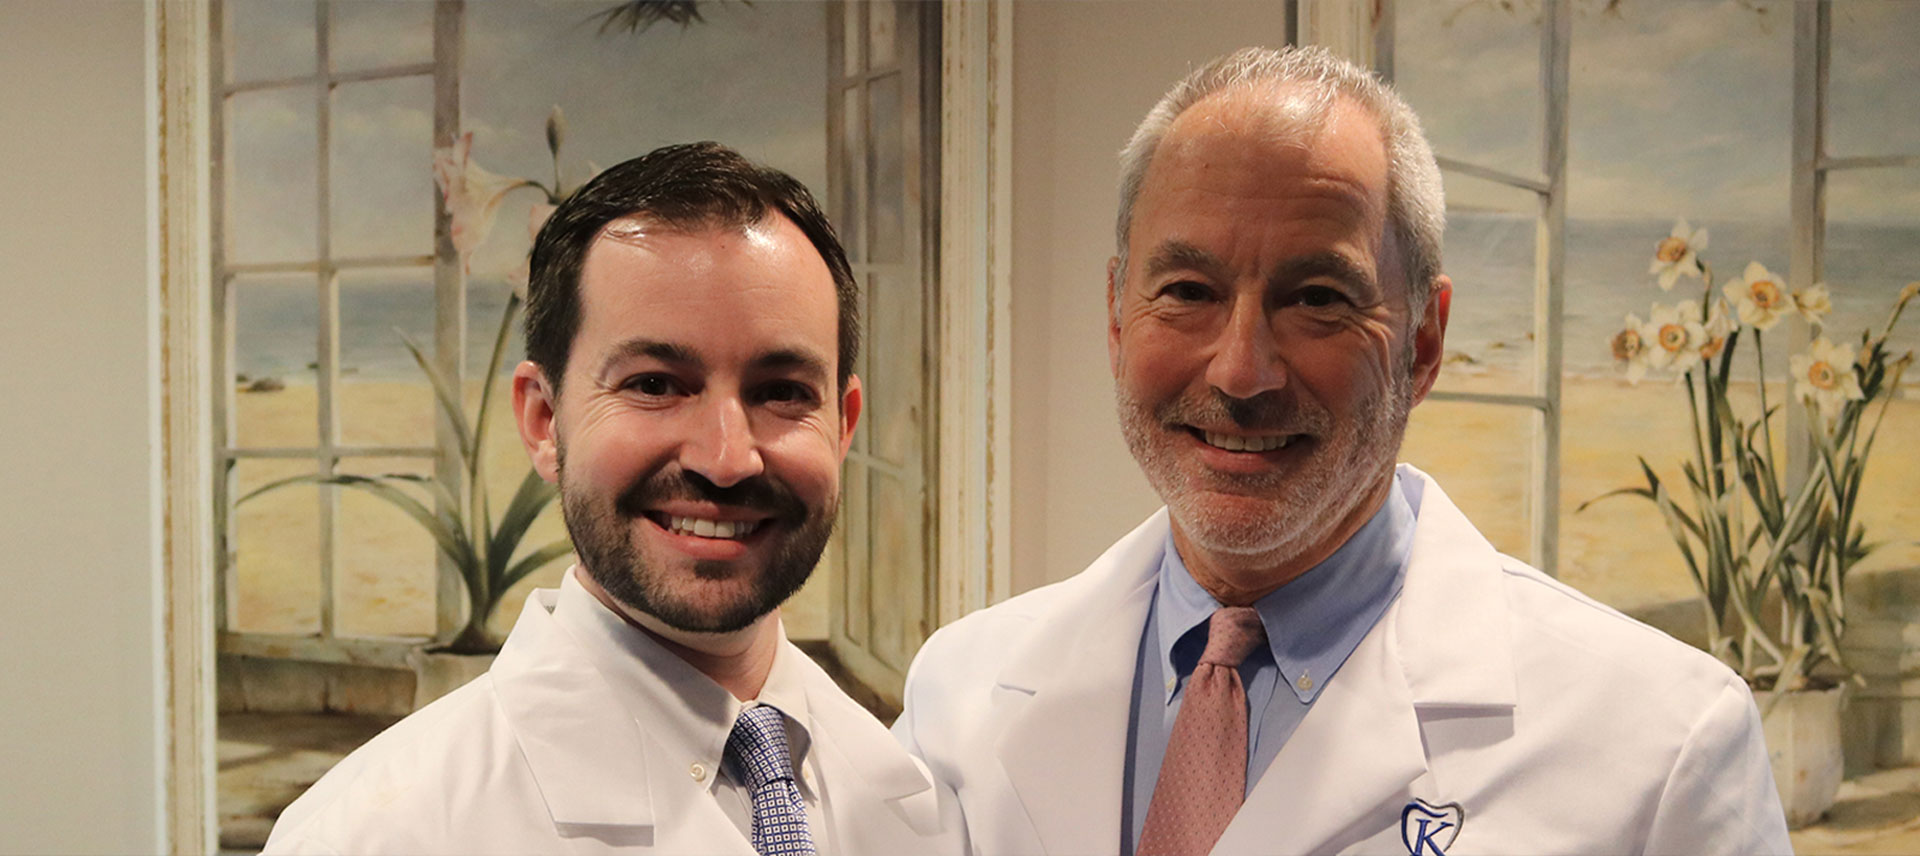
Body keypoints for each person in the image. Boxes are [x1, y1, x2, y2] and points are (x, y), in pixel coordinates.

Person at [893, 46, 1791, 856]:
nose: (1242, 372)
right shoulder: (962, 694)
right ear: (1116, 316)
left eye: (1318, 297)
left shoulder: (1663, 744)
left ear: (1424, 344)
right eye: (1188, 290)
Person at [266, 142, 961, 855]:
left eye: (782, 392)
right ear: (544, 421)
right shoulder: (374, 834)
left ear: (842, 425)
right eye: (655, 384)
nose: (726, 459)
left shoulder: (922, 811)